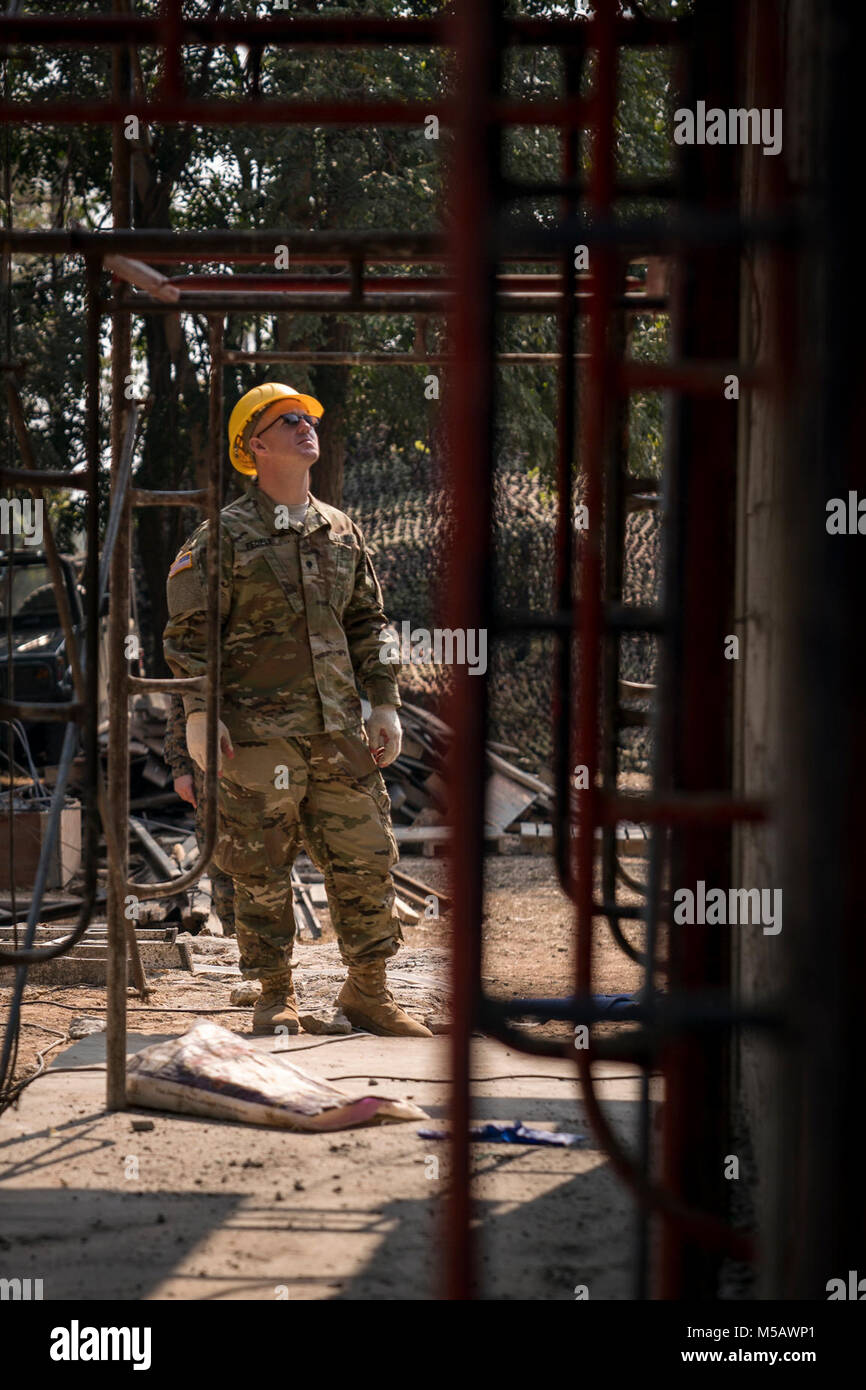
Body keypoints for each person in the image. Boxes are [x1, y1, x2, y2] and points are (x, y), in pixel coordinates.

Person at [162, 381, 431, 1038]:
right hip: (256, 740)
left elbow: (369, 622)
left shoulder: (340, 530)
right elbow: (188, 636)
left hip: (340, 731)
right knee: (259, 865)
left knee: (366, 858)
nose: (307, 425)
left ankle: (367, 991)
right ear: (257, 445)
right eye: (290, 420)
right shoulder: (219, 537)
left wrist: (386, 704)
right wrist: (197, 718)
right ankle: (272, 994)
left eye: (310, 416)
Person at [163, 691, 236, 936]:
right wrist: (180, 767)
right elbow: (180, 699)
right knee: (218, 851)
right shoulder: (195, 654)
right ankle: (234, 934)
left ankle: (270, 942)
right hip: (210, 761)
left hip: (265, 754)